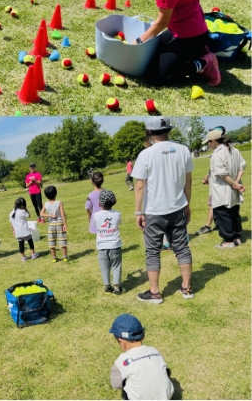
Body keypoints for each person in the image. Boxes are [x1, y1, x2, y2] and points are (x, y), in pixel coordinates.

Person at [132, 116, 195, 303]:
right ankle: (186, 288)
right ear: (168, 129)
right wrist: (187, 205)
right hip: (178, 207)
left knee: (152, 251)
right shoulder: (183, 150)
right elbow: (188, 182)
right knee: (182, 248)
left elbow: (140, 186)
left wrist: (138, 212)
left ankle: (155, 293)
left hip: (154, 211)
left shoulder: (146, 154)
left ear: (150, 132)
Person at [108, 314, 174, 399]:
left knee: (125, 382)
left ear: (121, 342)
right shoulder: (154, 351)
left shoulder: (122, 361)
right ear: (143, 336)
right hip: (166, 397)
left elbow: (116, 384)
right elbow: (167, 372)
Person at [205, 127, 246, 248]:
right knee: (234, 213)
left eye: (208, 142)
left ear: (213, 141)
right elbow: (242, 167)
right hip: (233, 189)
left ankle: (228, 240)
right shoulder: (234, 150)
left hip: (222, 190)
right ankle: (236, 237)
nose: (208, 145)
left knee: (222, 215)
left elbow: (222, 174)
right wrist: (237, 183)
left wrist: (234, 183)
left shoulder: (217, 154)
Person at [93, 190, 124, 294]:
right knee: (116, 266)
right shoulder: (117, 214)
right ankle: (117, 287)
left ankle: (107, 286)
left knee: (104, 267)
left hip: (101, 246)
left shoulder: (96, 215)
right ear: (114, 202)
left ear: (99, 203)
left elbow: (95, 223)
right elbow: (119, 222)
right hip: (115, 245)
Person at [42, 186, 68, 262]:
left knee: (51, 241)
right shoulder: (59, 203)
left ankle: (54, 257)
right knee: (62, 240)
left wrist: (50, 215)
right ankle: (65, 256)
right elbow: (63, 214)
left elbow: (41, 214)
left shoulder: (46, 204)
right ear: (56, 194)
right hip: (60, 223)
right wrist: (65, 224)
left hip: (51, 225)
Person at [83, 170, 106, 235]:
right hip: (107, 219)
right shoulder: (107, 193)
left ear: (91, 182)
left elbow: (87, 208)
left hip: (96, 220)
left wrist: (90, 218)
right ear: (103, 181)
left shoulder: (90, 195)